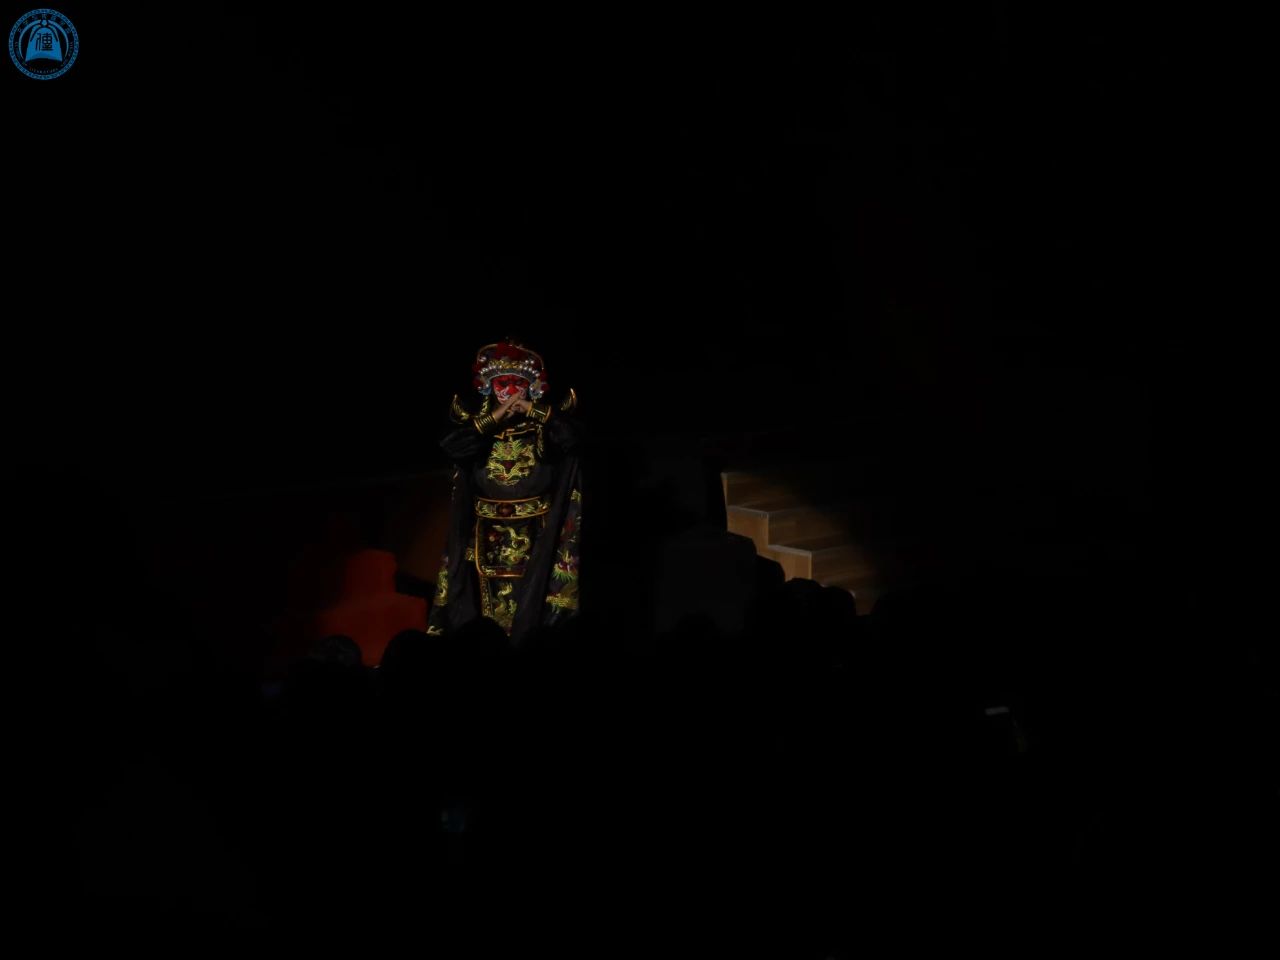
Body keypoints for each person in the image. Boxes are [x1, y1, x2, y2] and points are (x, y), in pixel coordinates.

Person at [426, 339, 582, 643]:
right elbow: (452, 446)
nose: (509, 392)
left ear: (532, 388)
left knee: (533, 606)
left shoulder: (542, 429)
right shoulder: (479, 432)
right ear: (489, 387)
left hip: (537, 534)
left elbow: (571, 438)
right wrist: (495, 417)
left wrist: (532, 410)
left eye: (517, 384)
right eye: (501, 384)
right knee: (482, 611)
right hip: (485, 535)